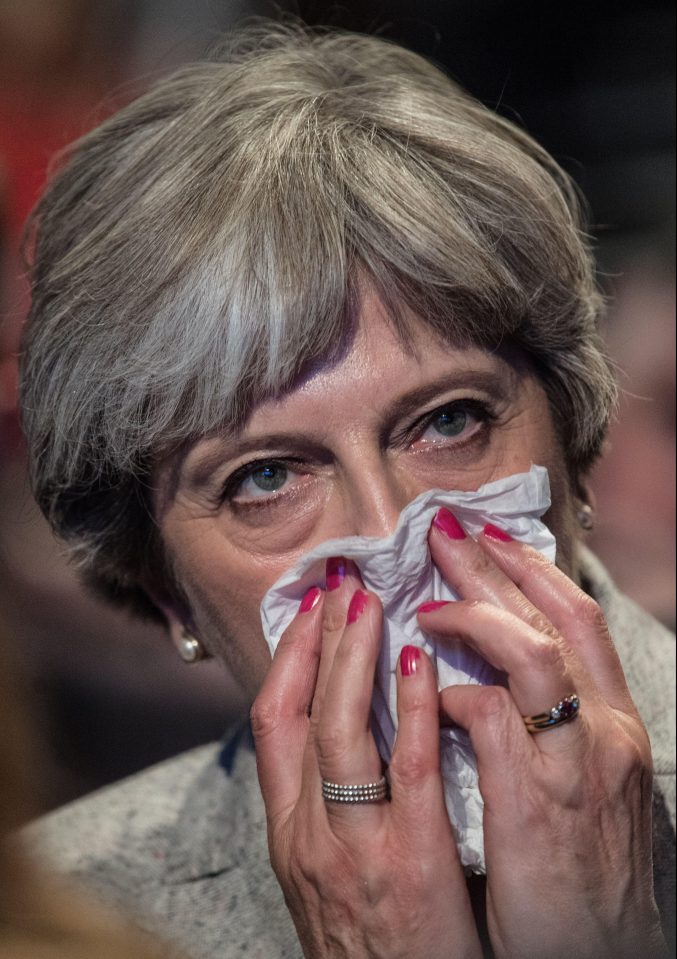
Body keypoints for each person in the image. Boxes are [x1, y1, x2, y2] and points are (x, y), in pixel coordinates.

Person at [18, 21, 674, 959]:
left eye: (447, 421)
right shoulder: (65, 920)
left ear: (570, 445)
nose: (388, 529)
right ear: (165, 590)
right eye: (267, 477)